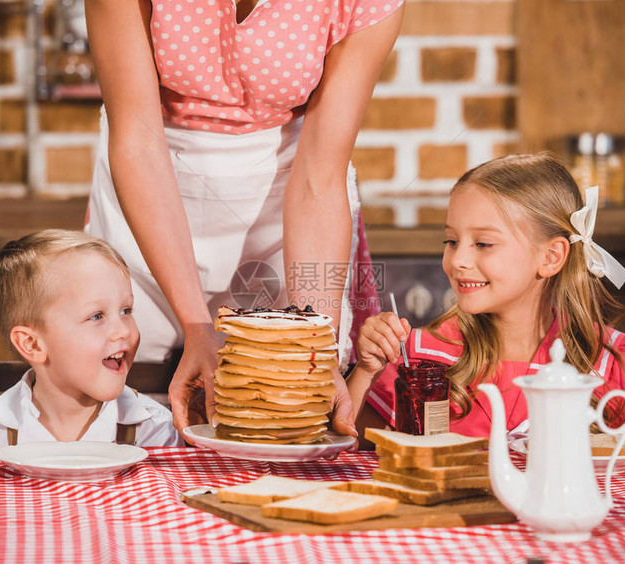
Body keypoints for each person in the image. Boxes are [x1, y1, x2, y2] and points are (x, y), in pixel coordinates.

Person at [83, 0, 404, 441]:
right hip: (150, 195)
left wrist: (315, 346)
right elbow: (137, 140)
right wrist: (197, 327)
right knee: (134, 412)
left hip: (285, 203)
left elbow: (318, 179)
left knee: (279, 402)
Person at [347, 153, 625, 484]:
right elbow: (352, 440)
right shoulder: (426, 354)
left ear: (551, 257)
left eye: (483, 243)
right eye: (451, 240)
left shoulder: (609, 360)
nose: (458, 259)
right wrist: (366, 369)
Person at [0, 230, 182, 449]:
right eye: (97, 316)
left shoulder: (155, 431)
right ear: (32, 344)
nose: (122, 331)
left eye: (126, 310)